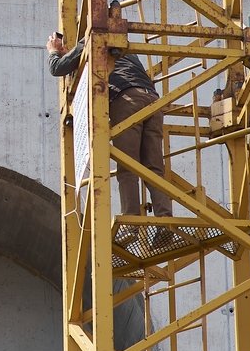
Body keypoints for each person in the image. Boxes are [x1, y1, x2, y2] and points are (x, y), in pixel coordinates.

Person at [46, 32, 173, 245]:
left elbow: (57, 68)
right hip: (152, 101)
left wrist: (53, 51)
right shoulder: (124, 47)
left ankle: (132, 223)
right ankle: (166, 221)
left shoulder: (92, 39)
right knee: (154, 167)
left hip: (126, 100)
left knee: (128, 166)